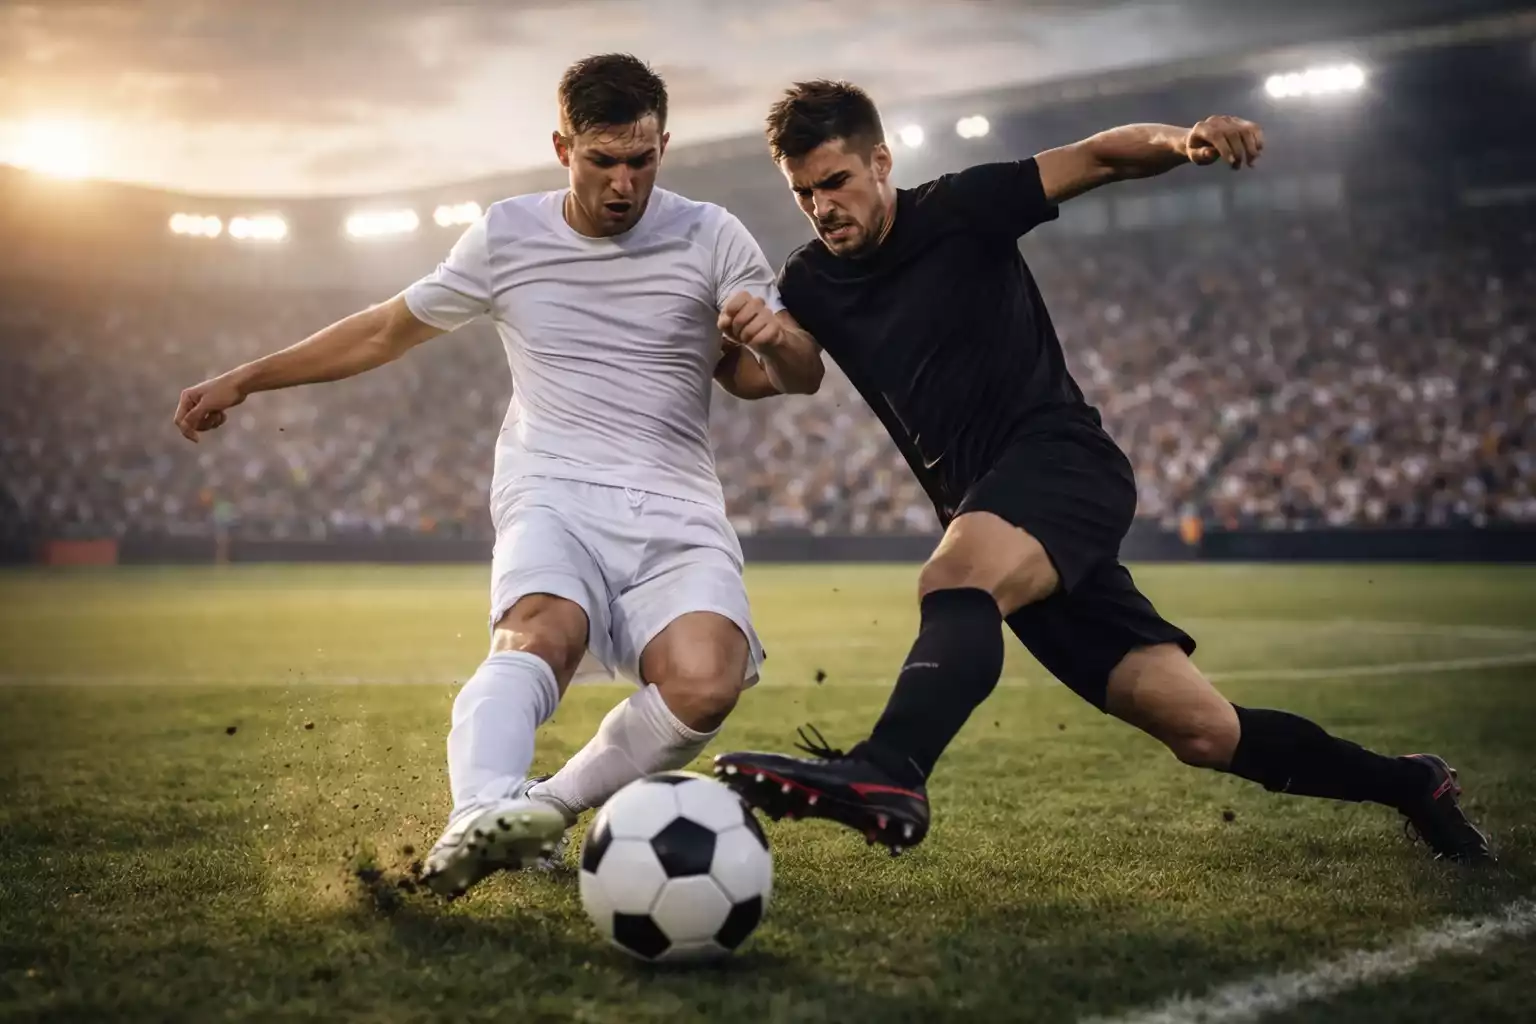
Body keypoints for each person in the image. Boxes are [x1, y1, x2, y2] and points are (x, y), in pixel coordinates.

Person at [709, 79, 1493, 864]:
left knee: (955, 583)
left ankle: (889, 769)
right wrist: (735, 339)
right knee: (1205, 732)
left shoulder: (960, 209)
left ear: (880, 161)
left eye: (836, 182)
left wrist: (1182, 140)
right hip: (993, 513)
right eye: (804, 192)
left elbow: (1098, 158)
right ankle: (1410, 785)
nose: (822, 206)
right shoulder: (811, 278)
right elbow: (791, 374)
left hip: (1061, 462)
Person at [173, 53, 822, 899]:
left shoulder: (713, 234)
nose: (624, 183)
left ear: (665, 144)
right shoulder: (509, 235)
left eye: (642, 159)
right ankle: (476, 814)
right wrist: (248, 376)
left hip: (673, 499)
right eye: (603, 161)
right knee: (539, 633)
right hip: (550, 488)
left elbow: (795, 373)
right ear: (563, 148)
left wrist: (773, 338)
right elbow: (382, 332)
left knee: (706, 680)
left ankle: (539, 811)